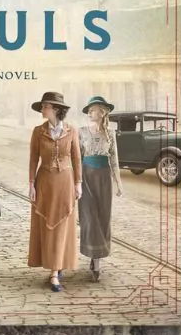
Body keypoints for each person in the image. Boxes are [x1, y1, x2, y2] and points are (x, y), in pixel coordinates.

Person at [27, 89, 81, 293]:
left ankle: (55, 271)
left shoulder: (71, 131)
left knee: (62, 226)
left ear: (56, 109)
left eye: (45, 106)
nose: (42, 109)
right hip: (45, 183)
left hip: (65, 182)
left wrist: (78, 183)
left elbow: (77, 159)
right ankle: (53, 268)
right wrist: (31, 184)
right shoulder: (38, 131)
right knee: (47, 226)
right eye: (42, 106)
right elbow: (33, 159)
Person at [77, 95, 123, 280]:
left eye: (93, 110)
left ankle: (96, 259)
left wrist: (119, 183)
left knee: (103, 218)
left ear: (102, 112)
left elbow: (114, 160)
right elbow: (77, 159)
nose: (90, 113)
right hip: (86, 177)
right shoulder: (81, 132)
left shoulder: (110, 133)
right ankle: (93, 258)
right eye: (88, 110)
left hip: (104, 178)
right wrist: (76, 182)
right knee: (90, 218)